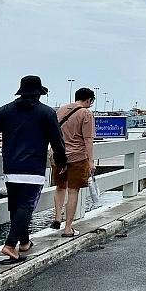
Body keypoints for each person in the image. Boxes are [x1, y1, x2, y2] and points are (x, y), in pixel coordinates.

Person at [0, 76, 67, 265]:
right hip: (33, 168)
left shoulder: (5, 111)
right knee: (26, 207)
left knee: (15, 207)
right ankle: (10, 245)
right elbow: (56, 140)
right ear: (39, 93)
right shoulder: (46, 113)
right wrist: (62, 160)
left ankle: (24, 242)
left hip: (11, 167)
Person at [51, 87, 96, 237]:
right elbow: (88, 139)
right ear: (88, 100)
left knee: (60, 187)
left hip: (58, 156)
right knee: (73, 191)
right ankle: (68, 227)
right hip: (77, 157)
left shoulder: (61, 110)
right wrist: (90, 161)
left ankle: (57, 218)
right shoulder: (86, 113)